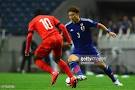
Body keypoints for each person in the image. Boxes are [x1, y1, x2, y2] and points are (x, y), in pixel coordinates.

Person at [65, 6, 123, 86]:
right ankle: (80, 74)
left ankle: (115, 80)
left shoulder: (86, 21)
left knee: (102, 65)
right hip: (77, 50)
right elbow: (62, 34)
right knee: (71, 60)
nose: (71, 17)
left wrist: (108, 31)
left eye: (73, 15)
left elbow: (98, 25)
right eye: (69, 15)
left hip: (90, 50)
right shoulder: (68, 26)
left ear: (77, 14)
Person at [25, 9, 77, 88]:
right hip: (59, 38)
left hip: (48, 40)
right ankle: (72, 77)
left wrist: (27, 50)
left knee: (36, 59)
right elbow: (62, 27)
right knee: (57, 59)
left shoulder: (33, 21)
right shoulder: (51, 17)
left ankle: (53, 72)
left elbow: (29, 36)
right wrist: (69, 41)